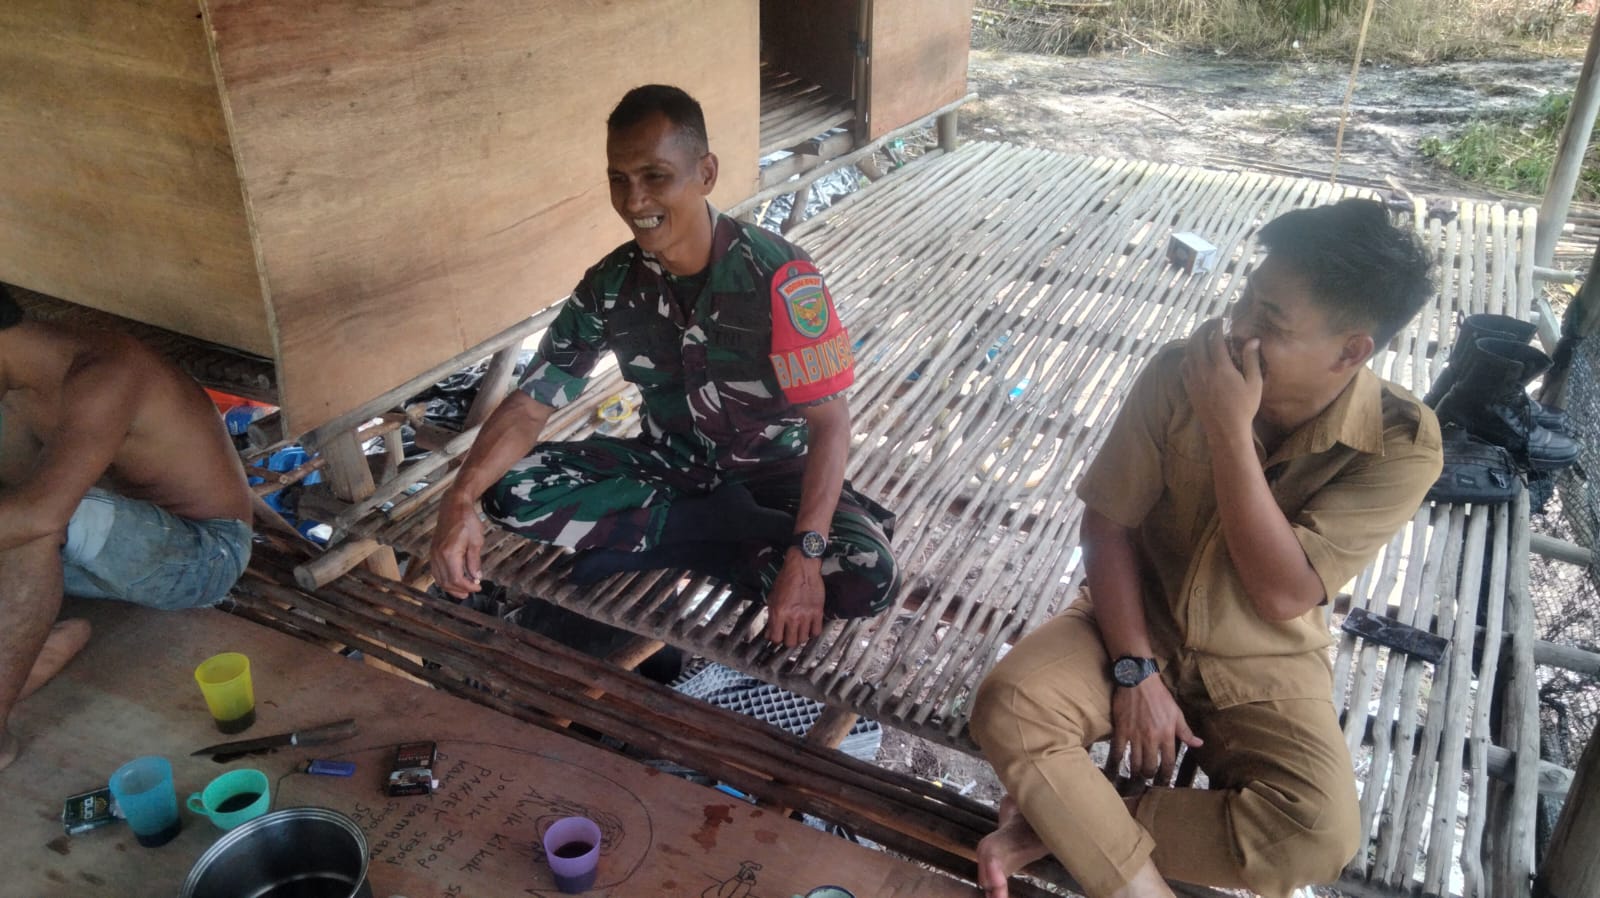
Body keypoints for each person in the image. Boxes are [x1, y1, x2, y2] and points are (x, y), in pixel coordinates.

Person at [969, 199, 1443, 898]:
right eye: (1246, 298)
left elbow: (1282, 593)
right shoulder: (1180, 371)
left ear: (1351, 351)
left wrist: (1228, 429)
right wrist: (1136, 671)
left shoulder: (1401, 443)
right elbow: (1107, 527)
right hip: (1136, 620)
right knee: (1009, 704)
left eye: (1271, 322)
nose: (1238, 327)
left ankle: (1063, 824)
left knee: (1315, 834)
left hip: (1264, 657)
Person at [429, 85, 897, 647]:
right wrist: (458, 499)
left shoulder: (778, 274)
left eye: (655, 176)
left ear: (706, 173)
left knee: (868, 574)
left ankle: (659, 544)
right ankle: (718, 531)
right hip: (671, 468)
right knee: (508, 489)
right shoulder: (610, 283)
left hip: (777, 477)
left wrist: (806, 553)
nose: (634, 201)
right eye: (619, 179)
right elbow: (532, 402)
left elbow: (830, 423)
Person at [0, 292, 254, 769]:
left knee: (36, 520)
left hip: (200, 557)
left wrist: (27, 518)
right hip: (106, 552)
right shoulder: (14, 390)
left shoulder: (106, 372)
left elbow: (37, 517)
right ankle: (35, 647)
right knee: (22, 511)